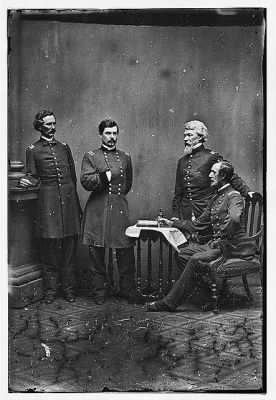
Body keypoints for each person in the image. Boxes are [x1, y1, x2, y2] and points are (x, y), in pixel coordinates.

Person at [146, 161, 256, 312]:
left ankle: (169, 302)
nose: (209, 175)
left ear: (223, 176)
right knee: (183, 254)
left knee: (195, 258)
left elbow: (235, 218)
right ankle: (210, 293)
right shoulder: (216, 197)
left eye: (213, 172)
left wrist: (223, 235)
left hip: (233, 247)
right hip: (218, 245)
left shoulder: (234, 196)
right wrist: (173, 223)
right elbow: (198, 223)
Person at [19, 110, 82, 304]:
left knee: (70, 248)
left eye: (54, 123)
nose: (52, 127)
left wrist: (77, 207)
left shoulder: (64, 147)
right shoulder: (33, 149)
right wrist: (26, 181)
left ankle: (70, 290)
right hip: (48, 204)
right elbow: (32, 176)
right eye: (48, 124)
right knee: (49, 250)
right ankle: (51, 291)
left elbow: (72, 176)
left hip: (69, 202)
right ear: (40, 126)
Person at [80, 119, 140, 305]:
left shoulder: (125, 157)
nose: (112, 137)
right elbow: (86, 181)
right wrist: (104, 177)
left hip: (119, 208)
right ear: (100, 135)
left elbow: (127, 183)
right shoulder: (90, 156)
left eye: (114, 133)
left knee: (125, 251)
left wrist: (116, 198)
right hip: (97, 210)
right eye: (108, 133)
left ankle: (127, 290)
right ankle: (99, 291)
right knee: (96, 253)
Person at [171, 120, 254, 223]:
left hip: (206, 209)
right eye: (185, 135)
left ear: (200, 137)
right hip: (186, 212)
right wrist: (175, 214)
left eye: (189, 135)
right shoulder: (182, 161)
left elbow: (230, 175)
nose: (185, 139)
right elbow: (178, 190)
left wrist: (247, 191)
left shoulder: (211, 156)